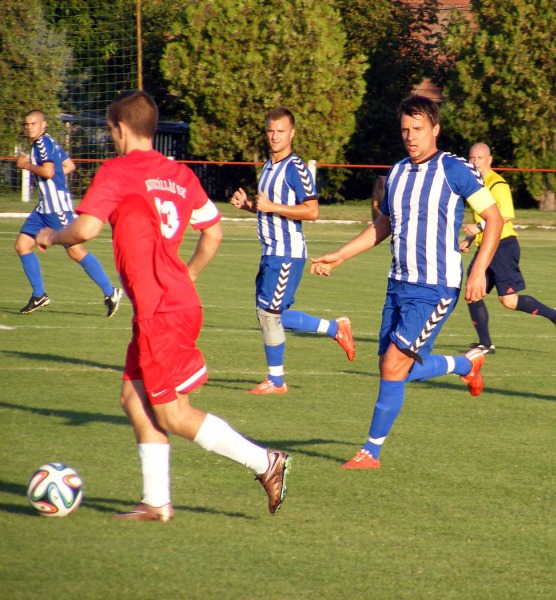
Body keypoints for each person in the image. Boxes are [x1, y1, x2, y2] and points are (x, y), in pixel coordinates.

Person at [35, 91, 291, 520]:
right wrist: (187, 274)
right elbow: (213, 232)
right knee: (134, 400)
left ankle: (266, 462)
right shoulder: (180, 174)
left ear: (118, 128)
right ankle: (156, 502)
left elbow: (85, 229)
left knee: (173, 413)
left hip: (162, 311)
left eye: (111, 130)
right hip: (170, 302)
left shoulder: (117, 171)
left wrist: (51, 236)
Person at [310, 95, 503, 469]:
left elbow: (493, 219)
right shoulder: (397, 172)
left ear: (435, 129)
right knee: (393, 365)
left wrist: (478, 270)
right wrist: (341, 255)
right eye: (405, 130)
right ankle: (465, 366)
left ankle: (371, 452)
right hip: (398, 284)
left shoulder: (455, 169)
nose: (410, 137)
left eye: (418, 129)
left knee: (394, 365)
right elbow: (384, 224)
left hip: (436, 287)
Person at [230, 107, 355, 395]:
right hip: (269, 251)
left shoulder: (295, 167)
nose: (275, 136)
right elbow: (269, 210)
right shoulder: (269, 166)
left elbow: (312, 211)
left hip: (287, 252)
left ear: (292, 133)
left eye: (281, 131)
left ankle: (276, 381)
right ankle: (336, 330)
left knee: (269, 313)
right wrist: (249, 206)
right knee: (271, 314)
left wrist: (271, 206)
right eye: (271, 131)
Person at [459, 143, 556, 353]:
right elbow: (481, 218)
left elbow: (506, 215)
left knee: (509, 301)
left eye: (479, 158)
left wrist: (478, 227)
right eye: (471, 158)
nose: (474, 162)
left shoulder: (497, 184)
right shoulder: (475, 184)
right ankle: (485, 344)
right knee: (472, 292)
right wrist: (469, 237)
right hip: (486, 246)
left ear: (489, 160)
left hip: (503, 246)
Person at [15, 110, 122, 316]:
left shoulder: (42, 144)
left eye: (33, 123)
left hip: (57, 209)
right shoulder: (47, 142)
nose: (29, 127)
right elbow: (69, 166)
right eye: (27, 124)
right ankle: (39, 295)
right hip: (43, 208)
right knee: (22, 245)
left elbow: (48, 171)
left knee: (75, 250)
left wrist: (26, 165)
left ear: (43, 124)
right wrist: (54, 178)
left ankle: (111, 293)